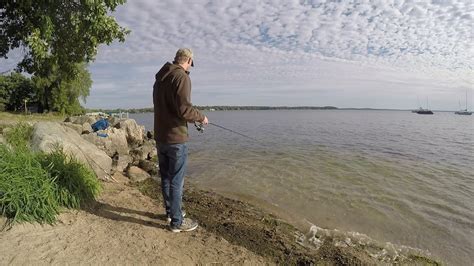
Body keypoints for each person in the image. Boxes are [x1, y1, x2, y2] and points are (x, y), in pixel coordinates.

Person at [153, 48, 208, 232]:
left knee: (166, 178)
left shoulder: (159, 79)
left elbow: (171, 109)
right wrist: (201, 117)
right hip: (176, 138)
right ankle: (177, 222)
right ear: (189, 60)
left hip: (161, 136)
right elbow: (184, 109)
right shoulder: (182, 77)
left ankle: (171, 212)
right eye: (191, 64)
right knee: (176, 181)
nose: (190, 67)